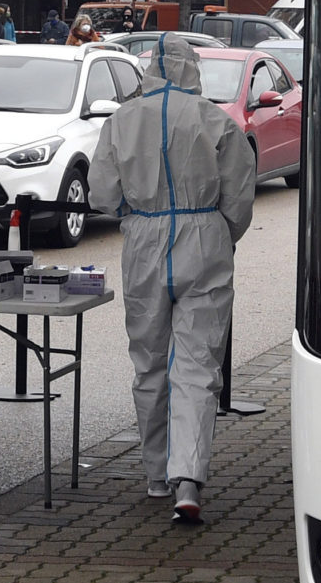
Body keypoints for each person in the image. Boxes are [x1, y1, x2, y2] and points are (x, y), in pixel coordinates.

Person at [89, 32, 257, 523]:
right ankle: (189, 478)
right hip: (203, 235)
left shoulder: (121, 121)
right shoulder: (214, 120)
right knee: (199, 364)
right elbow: (239, 196)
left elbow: (102, 193)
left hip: (144, 238)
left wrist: (136, 212)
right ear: (192, 69)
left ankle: (156, 474)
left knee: (149, 362)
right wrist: (220, 233)